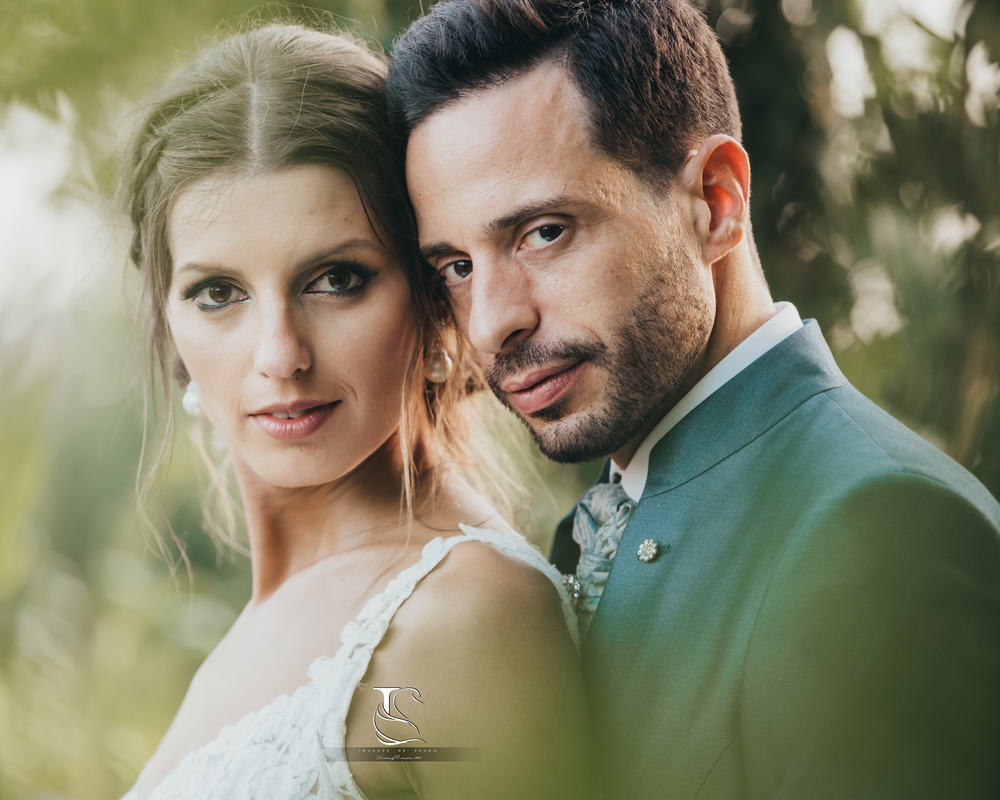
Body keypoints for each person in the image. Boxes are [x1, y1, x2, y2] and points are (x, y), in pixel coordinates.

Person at [387, 0, 1000, 798]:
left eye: (544, 232)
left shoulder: (877, 531)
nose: (492, 322)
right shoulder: (597, 524)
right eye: (456, 268)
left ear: (717, 200)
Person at [119, 23, 591, 800]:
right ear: (168, 322)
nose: (280, 354)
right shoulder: (257, 628)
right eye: (218, 293)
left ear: (431, 297)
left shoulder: (463, 618)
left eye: (336, 279)